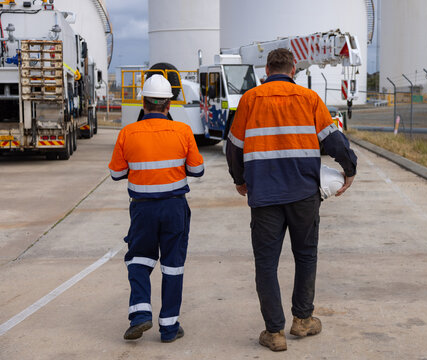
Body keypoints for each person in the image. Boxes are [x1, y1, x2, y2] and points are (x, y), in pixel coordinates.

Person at [226, 48, 357, 352]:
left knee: (267, 263)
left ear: (267, 70)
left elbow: (234, 146)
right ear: (294, 69)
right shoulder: (309, 99)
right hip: (303, 193)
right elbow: (332, 138)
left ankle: (274, 332)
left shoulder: (249, 99)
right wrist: (349, 167)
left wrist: (240, 180)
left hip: (265, 195)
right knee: (306, 255)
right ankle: (302, 320)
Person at [108, 74, 204, 343]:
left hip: (142, 210)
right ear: (168, 105)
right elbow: (197, 170)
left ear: (143, 103)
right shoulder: (183, 131)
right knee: (173, 266)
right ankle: (169, 328)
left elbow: (117, 174)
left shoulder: (128, 132)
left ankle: (140, 315)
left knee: (138, 259)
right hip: (175, 209)